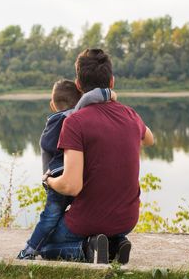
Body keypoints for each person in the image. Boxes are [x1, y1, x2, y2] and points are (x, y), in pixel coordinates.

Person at [39, 49, 154, 264]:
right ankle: (116, 243)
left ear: (78, 85)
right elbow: (149, 139)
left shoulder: (74, 123)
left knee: (44, 244)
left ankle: (89, 248)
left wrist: (49, 179)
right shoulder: (130, 115)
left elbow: (71, 186)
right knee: (105, 221)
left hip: (88, 219)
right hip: (127, 219)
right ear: (112, 82)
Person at [17, 80, 114, 260]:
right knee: (76, 214)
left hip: (58, 178)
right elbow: (92, 96)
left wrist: (46, 180)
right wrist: (108, 93)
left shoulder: (55, 122)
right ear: (79, 101)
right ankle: (104, 243)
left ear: (52, 104)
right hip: (78, 176)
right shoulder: (78, 115)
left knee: (49, 218)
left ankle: (29, 250)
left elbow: (45, 151)